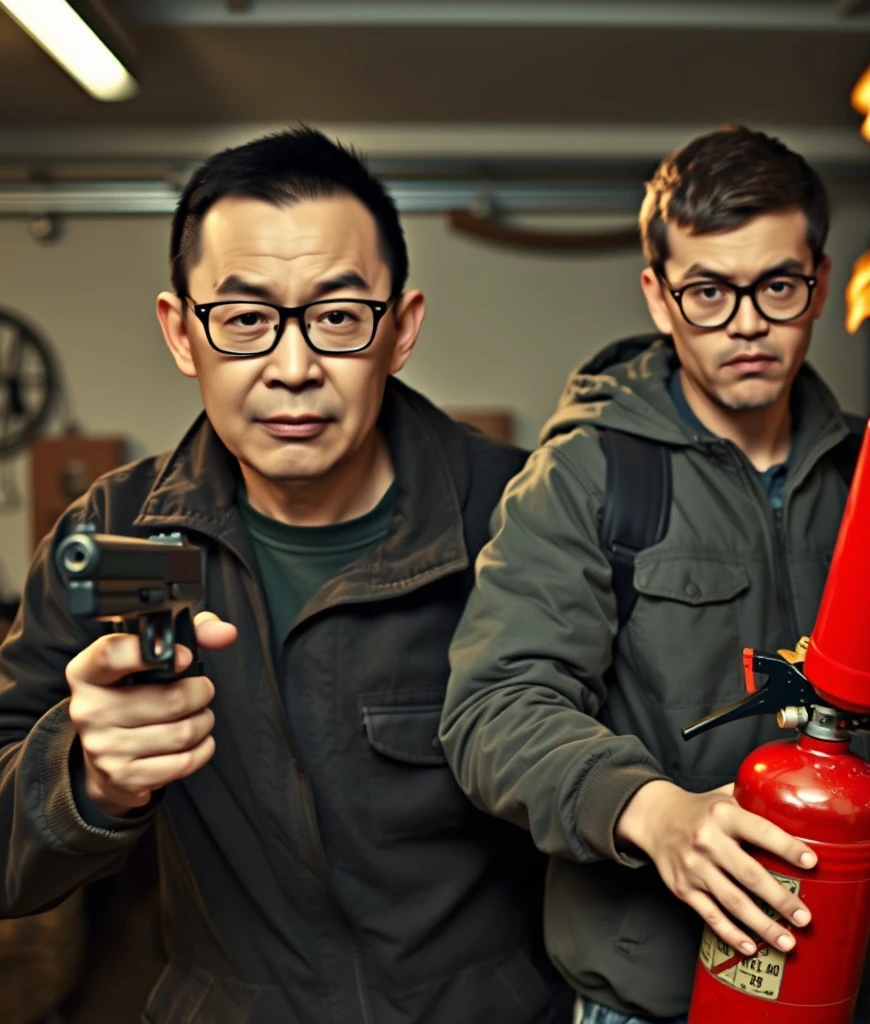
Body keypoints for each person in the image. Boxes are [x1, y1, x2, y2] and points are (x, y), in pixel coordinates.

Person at [440, 125, 870, 1024]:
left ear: (820, 284)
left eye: (776, 286)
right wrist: (652, 812)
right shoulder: (587, 474)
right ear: (659, 298)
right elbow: (493, 711)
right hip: (660, 1001)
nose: (746, 322)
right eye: (708, 290)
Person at [0, 127, 568, 1024]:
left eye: (339, 318)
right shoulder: (119, 535)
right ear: (182, 333)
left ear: (402, 330)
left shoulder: (522, 516)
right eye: (245, 319)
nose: (293, 368)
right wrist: (87, 779)